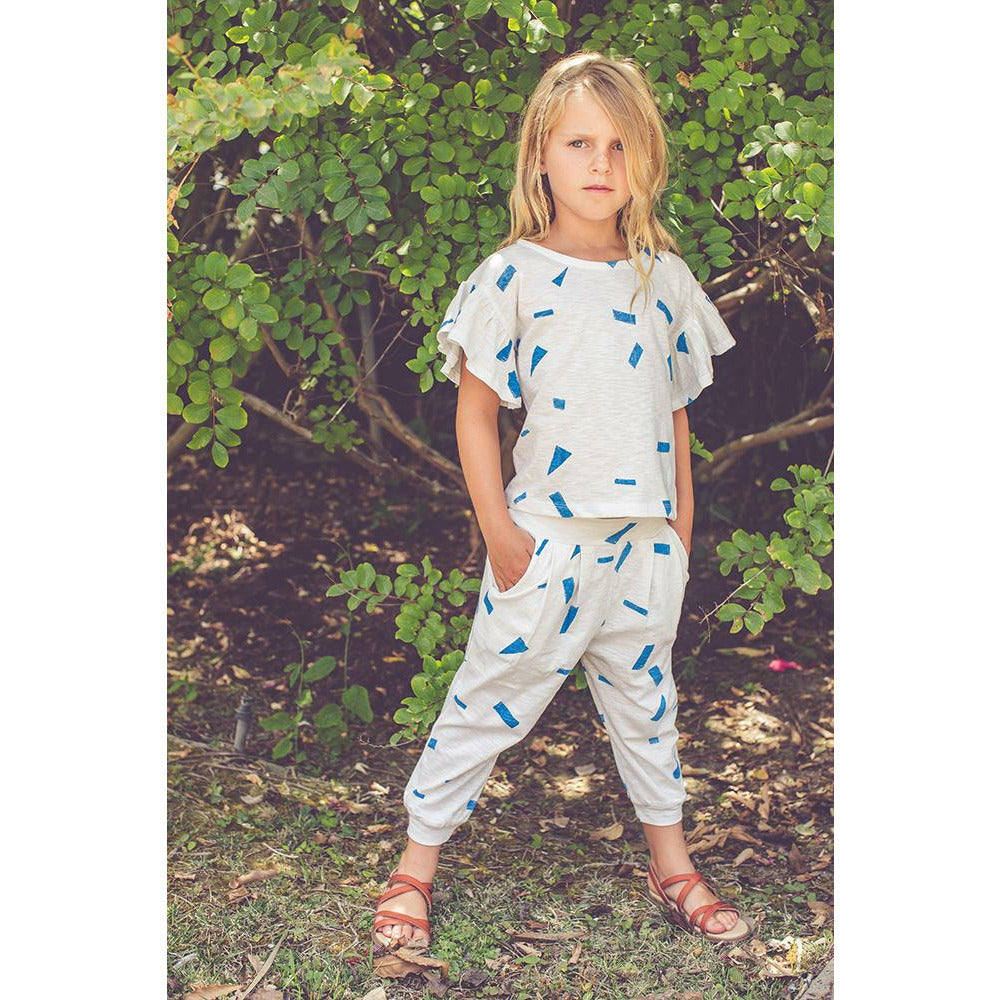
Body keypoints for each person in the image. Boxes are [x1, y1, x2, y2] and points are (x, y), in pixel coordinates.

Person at [372, 50, 753, 954]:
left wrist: (679, 532)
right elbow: (475, 414)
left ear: (644, 158)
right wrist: (500, 534)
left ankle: (673, 863)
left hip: (645, 545)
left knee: (649, 709)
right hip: (546, 543)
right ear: (541, 153)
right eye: (580, 143)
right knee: (485, 698)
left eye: (620, 146)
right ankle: (415, 866)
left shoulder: (663, 279)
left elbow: (675, 415)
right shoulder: (512, 275)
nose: (600, 164)